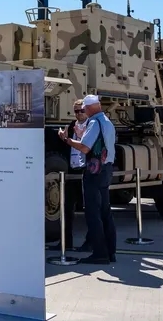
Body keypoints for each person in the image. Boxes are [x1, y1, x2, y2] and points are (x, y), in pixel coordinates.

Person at [58, 94, 116, 264]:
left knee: (93, 212)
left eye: (83, 109)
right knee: (106, 212)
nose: (82, 111)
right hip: (106, 169)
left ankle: (99, 253)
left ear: (90, 108)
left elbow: (84, 147)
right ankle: (110, 251)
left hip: (94, 170)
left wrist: (66, 139)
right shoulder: (106, 121)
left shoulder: (94, 122)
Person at [62, 98, 89, 251]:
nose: (79, 114)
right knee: (68, 207)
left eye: (81, 111)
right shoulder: (72, 126)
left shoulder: (92, 126)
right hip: (73, 170)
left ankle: (90, 242)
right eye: (76, 111)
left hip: (87, 170)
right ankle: (66, 241)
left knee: (90, 209)